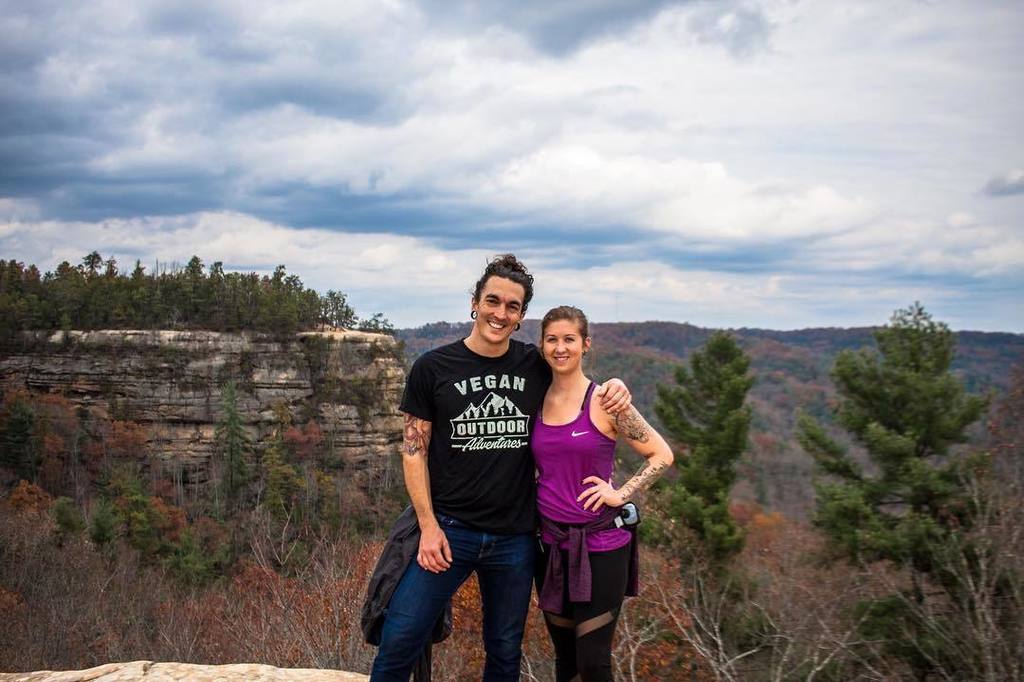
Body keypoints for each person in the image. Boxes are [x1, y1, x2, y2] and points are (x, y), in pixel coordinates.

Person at [370, 255, 632, 682]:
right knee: (401, 637)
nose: (500, 313)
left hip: (515, 538)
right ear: (475, 302)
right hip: (450, 531)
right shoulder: (433, 368)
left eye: (513, 306)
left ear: (521, 315)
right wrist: (428, 526)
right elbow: (413, 451)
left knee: (505, 651)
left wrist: (615, 386)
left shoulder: (533, 364)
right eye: (493, 301)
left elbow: (575, 377)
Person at [533, 305, 675, 682]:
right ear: (542, 345)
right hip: (551, 546)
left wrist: (622, 494)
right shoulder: (535, 400)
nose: (560, 348)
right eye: (552, 339)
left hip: (601, 545)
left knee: (594, 662)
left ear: (585, 344)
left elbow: (661, 454)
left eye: (569, 339)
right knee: (565, 661)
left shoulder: (605, 401)